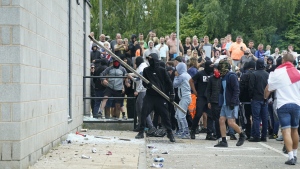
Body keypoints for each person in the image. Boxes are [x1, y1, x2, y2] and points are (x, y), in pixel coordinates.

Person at [265, 53, 300, 165]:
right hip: (296, 104)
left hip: (283, 104)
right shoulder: (298, 73)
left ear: (283, 61)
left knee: (286, 130)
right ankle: (295, 154)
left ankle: (290, 157)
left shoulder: (277, 73)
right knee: (295, 130)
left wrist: (265, 96)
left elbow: (269, 88)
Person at [135, 53, 175, 142]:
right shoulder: (146, 70)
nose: (150, 61)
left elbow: (169, 82)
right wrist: (148, 85)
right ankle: (141, 131)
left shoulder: (162, 70)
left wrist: (172, 94)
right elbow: (144, 83)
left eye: (151, 59)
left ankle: (170, 133)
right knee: (144, 112)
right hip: (150, 96)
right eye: (148, 59)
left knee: (165, 115)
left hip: (160, 96)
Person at [214, 60, 246, 147]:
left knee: (231, 122)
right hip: (225, 103)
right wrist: (220, 102)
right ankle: (224, 141)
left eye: (220, 68)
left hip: (231, 103)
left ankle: (242, 134)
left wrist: (232, 102)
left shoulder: (231, 76)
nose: (218, 70)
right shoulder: (223, 77)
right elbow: (222, 91)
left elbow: (236, 90)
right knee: (221, 120)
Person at [189, 60, 217, 140]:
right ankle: (193, 130)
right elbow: (191, 80)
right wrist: (194, 91)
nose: (211, 68)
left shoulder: (213, 74)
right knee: (198, 114)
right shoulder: (200, 73)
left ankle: (209, 133)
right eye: (210, 66)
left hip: (209, 97)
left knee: (210, 116)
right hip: (201, 96)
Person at [128, 57, 154, 131]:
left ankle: (149, 126)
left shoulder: (141, 68)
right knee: (139, 107)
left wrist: (138, 90)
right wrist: (131, 75)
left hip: (143, 90)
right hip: (144, 90)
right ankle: (141, 125)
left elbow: (141, 80)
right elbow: (138, 75)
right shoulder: (143, 66)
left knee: (142, 108)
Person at [248, 59, 269, 142]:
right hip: (265, 98)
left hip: (256, 98)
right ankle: (264, 136)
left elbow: (251, 87)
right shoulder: (267, 74)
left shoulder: (254, 74)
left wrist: (251, 96)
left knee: (256, 118)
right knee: (264, 118)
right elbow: (269, 87)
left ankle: (256, 135)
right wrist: (267, 97)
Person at [173, 62, 192, 139]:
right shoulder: (187, 75)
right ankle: (181, 130)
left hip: (185, 97)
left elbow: (174, 84)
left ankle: (186, 132)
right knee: (177, 115)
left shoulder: (182, 76)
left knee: (181, 116)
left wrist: (175, 77)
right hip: (185, 97)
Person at [239, 61, 256, 139]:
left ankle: (248, 132)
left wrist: (240, 98)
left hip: (245, 99)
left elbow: (241, 88)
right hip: (256, 99)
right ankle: (255, 132)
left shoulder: (244, 76)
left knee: (246, 117)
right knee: (256, 117)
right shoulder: (257, 74)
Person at [207, 64, 222, 139]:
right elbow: (208, 90)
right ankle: (217, 133)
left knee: (220, 118)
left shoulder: (222, 78)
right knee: (216, 118)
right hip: (214, 101)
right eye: (214, 69)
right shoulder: (211, 78)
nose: (215, 71)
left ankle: (220, 133)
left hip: (221, 101)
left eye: (217, 69)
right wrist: (209, 101)